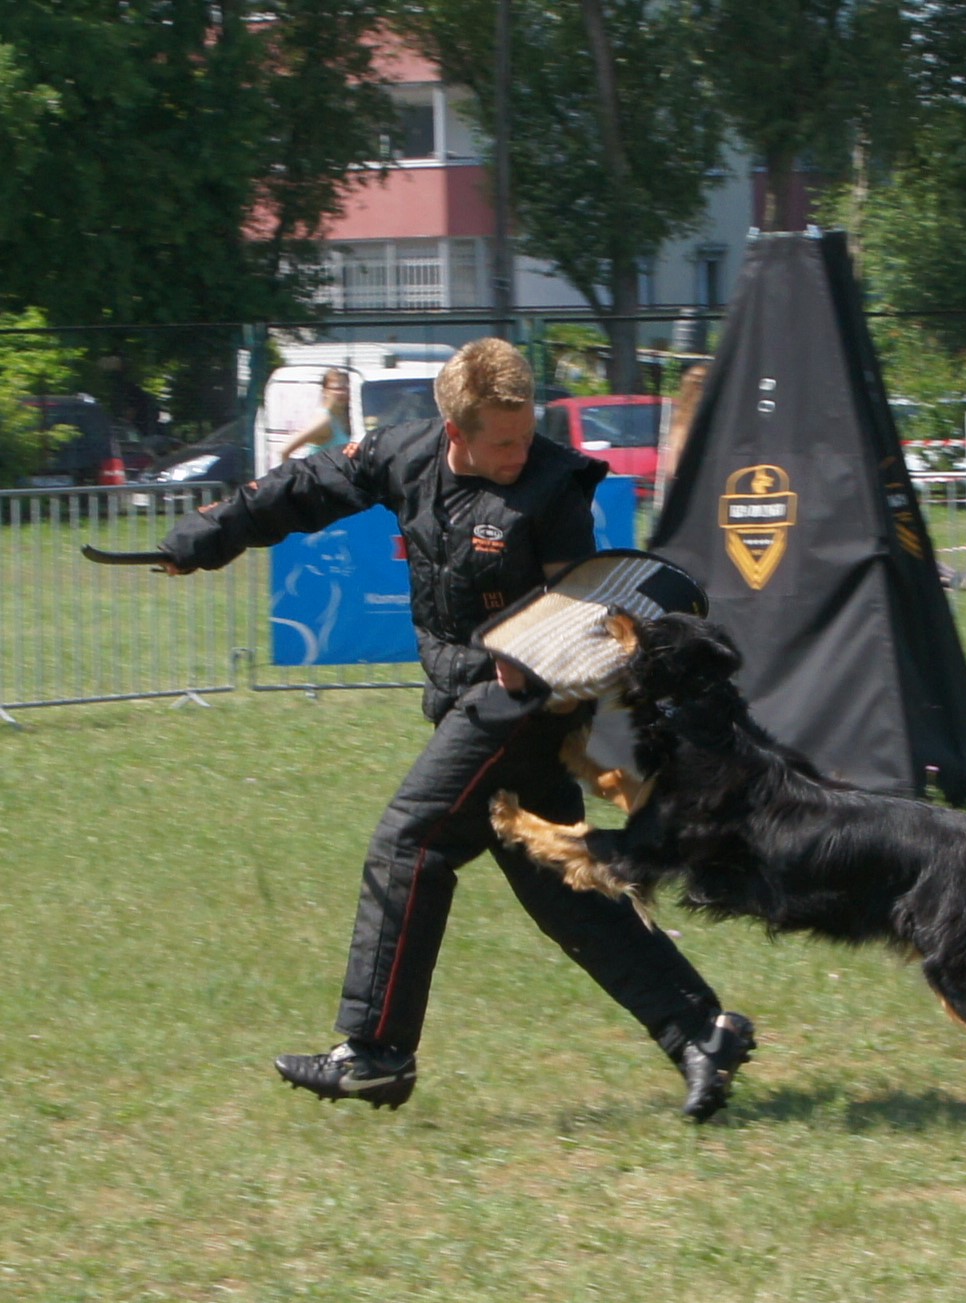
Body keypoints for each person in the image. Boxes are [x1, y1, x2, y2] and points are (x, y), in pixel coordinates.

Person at [158, 338, 754, 1122]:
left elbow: (585, 612)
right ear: (455, 431)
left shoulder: (555, 490)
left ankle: (375, 1051)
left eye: (524, 433)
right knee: (558, 882)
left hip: (520, 704)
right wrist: (215, 531)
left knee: (411, 840)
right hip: (468, 696)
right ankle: (699, 1029)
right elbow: (308, 482)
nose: (518, 453)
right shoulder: (403, 455)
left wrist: (535, 651)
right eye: (500, 441)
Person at [279, 368, 354, 462]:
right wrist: (291, 475)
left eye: (346, 388)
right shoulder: (324, 421)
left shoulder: (342, 418)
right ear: (325, 391)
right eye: (337, 388)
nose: (343, 393)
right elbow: (284, 451)